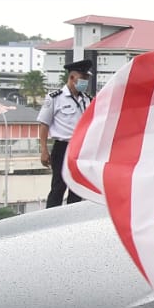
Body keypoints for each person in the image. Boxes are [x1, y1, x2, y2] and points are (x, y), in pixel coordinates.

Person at [38, 59, 93, 208]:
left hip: (80, 150)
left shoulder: (87, 100)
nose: (85, 82)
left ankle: (71, 221)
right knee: (58, 187)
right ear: (72, 77)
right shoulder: (55, 98)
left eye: (87, 79)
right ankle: (50, 221)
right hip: (62, 147)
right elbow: (44, 125)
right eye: (83, 78)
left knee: (77, 189)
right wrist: (43, 150)